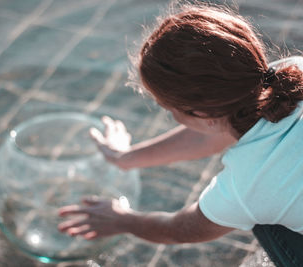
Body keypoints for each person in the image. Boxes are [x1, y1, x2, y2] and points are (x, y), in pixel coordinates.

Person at [57, 3, 303, 266]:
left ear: (200, 114)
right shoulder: (290, 71)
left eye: (168, 109)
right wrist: (123, 157)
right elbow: (216, 129)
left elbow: (182, 229)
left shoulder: (249, 185)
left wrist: (121, 219)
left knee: (260, 220)